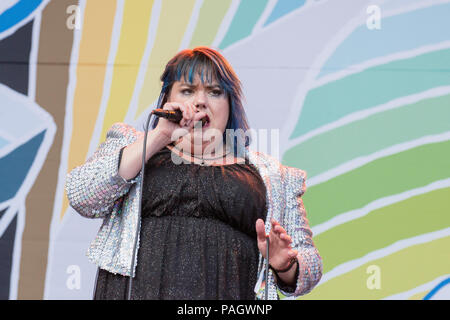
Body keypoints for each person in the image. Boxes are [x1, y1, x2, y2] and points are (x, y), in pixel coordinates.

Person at [65, 46, 322, 300]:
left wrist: (285, 265)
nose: (201, 101)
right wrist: (161, 135)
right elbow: (83, 195)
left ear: (230, 104)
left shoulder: (273, 175)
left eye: (215, 92)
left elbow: (309, 264)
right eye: (187, 91)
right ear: (167, 100)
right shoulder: (133, 145)